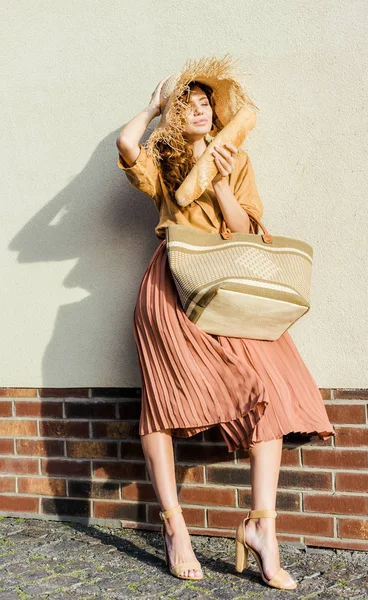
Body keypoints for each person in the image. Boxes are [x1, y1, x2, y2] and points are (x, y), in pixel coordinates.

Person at [116, 54, 335, 590]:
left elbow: (247, 229)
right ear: (176, 115)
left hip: (228, 281)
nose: (198, 111)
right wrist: (152, 107)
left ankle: (262, 527)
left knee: (269, 390)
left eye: (205, 105)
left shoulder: (237, 159)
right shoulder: (164, 161)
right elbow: (126, 147)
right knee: (164, 402)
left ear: (217, 115)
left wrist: (217, 180)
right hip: (172, 283)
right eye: (188, 105)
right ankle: (175, 528)